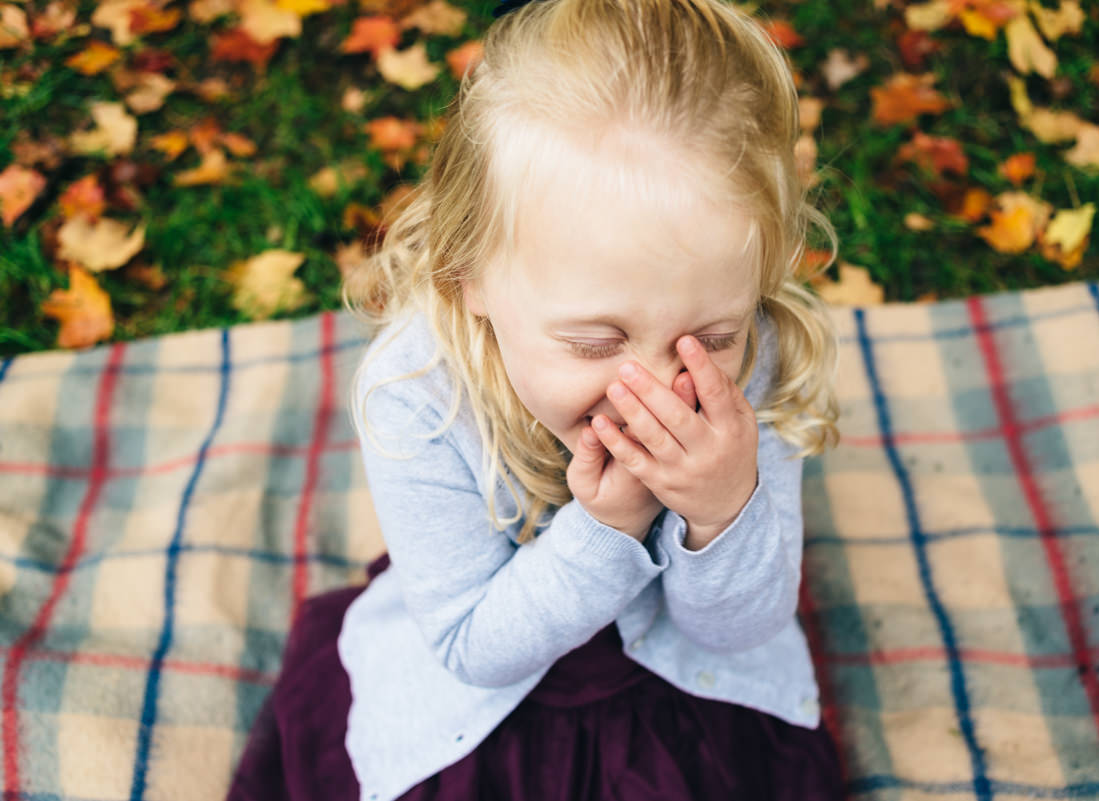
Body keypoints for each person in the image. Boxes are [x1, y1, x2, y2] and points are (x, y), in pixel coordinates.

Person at [226, 0, 844, 797]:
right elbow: (471, 646)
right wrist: (609, 527)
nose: (652, 387)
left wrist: (723, 510)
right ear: (467, 275)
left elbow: (741, 629)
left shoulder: (758, 360)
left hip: (692, 695)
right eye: (595, 343)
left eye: (712, 336)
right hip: (488, 709)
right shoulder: (417, 392)